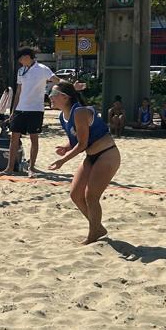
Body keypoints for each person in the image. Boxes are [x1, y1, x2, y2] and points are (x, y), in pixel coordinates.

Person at [48, 79, 120, 245]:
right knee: (75, 194)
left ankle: (93, 235)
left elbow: (82, 144)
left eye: (53, 93)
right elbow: (76, 139)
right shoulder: (63, 116)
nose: (49, 96)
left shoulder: (79, 112)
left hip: (107, 154)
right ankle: (98, 228)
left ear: (65, 97)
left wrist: (62, 160)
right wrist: (66, 147)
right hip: (91, 156)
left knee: (91, 196)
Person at [0, 45, 53, 176]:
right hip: (20, 109)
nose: (19, 61)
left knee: (34, 138)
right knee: (14, 138)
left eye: (21, 59)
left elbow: (57, 80)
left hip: (35, 109)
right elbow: (18, 91)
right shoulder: (21, 71)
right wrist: (13, 110)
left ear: (27, 57)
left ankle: (32, 168)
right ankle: (9, 168)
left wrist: (72, 86)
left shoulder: (42, 69)